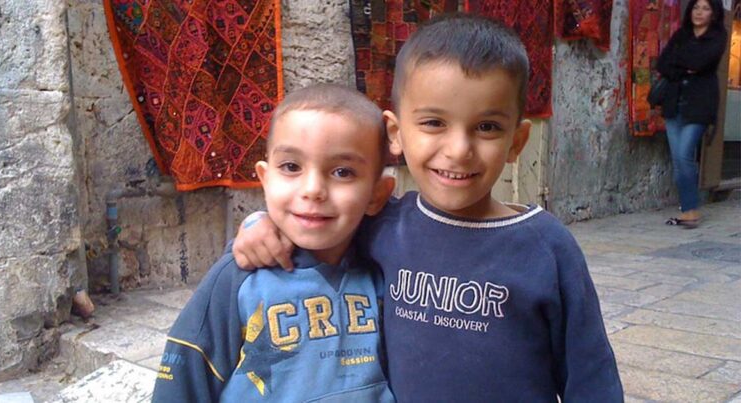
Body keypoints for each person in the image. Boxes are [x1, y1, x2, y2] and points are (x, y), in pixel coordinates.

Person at [232, 14, 624, 402]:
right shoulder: (382, 226)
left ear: (517, 141)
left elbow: (590, 375)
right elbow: (316, 226)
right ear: (396, 134)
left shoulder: (546, 248)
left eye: (487, 127)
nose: (459, 150)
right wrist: (260, 224)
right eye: (434, 122)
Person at [151, 84, 396, 402]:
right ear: (265, 180)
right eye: (291, 167)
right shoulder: (239, 277)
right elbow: (184, 381)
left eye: (342, 172)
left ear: (377, 194)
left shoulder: (386, 268)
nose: (312, 189)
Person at [657, 0, 727, 228]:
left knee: (684, 155)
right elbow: (663, 63)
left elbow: (700, 61)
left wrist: (681, 61)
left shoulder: (717, 36)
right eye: (696, 7)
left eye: (705, 8)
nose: (699, 12)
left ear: (713, 14)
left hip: (699, 105)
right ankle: (689, 209)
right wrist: (685, 66)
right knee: (678, 159)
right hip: (674, 103)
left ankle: (691, 210)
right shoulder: (681, 34)